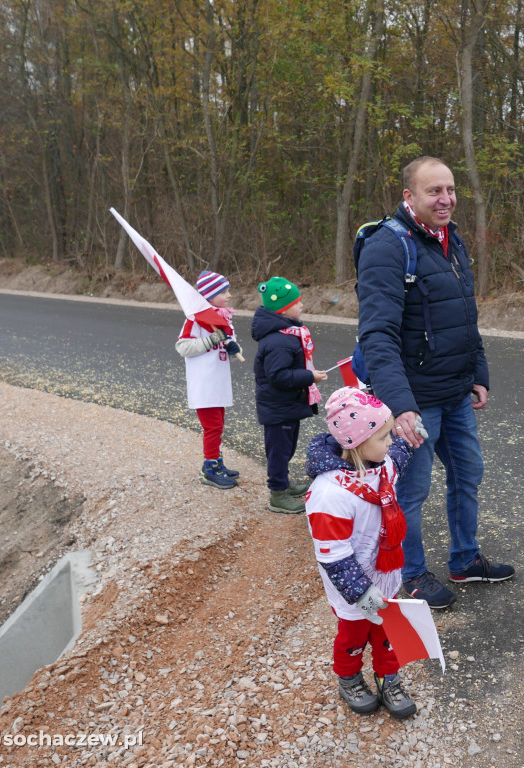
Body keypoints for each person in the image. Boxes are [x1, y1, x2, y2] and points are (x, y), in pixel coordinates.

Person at [356, 155, 514, 609]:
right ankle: (412, 573)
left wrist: (478, 373)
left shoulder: (451, 239)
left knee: (469, 474)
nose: (445, 199)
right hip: (415, 401)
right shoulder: (387, 248)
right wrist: (400, 405)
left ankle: (465, 560)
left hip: (455, 393)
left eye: (450, 190)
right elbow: (378, 335)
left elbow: (463, 315)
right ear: (409, 197)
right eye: (434, 192)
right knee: (412, 491)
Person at [305, 387, 417, 719]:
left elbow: (398, 456)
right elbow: (333, 555)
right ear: (356, 441)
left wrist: (411, 439)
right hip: (354, 588)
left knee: (387, 633)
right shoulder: (328, 495)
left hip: (385, 573)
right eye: (384, 436)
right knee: (353, 635)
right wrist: (360, 592)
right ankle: (349, 677)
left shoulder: (380, 465)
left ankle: (388, 676)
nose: (390, 441)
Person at [251, 277, 328, 513]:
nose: (302, 306)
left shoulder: (286, 333)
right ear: (284, 309)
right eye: (297, 302)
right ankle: (278, 494)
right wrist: (309, 377)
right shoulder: (279, 340)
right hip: (278, 407)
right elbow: (278, 375)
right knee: (278, 451)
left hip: (286, 405)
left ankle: (283, 484)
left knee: (287, 448)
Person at [175, 270, 244, 489]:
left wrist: (234, 348)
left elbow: (229, 346)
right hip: (204, 382)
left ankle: (217, 462)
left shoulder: (222, 319)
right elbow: (183, 347)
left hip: (219, 380)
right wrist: (212, 340)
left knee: (219, 424)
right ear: (210, 295)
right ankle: (210, 468)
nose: (229, 295)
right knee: (212, 427)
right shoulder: (195, 319)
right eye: (224, 291)